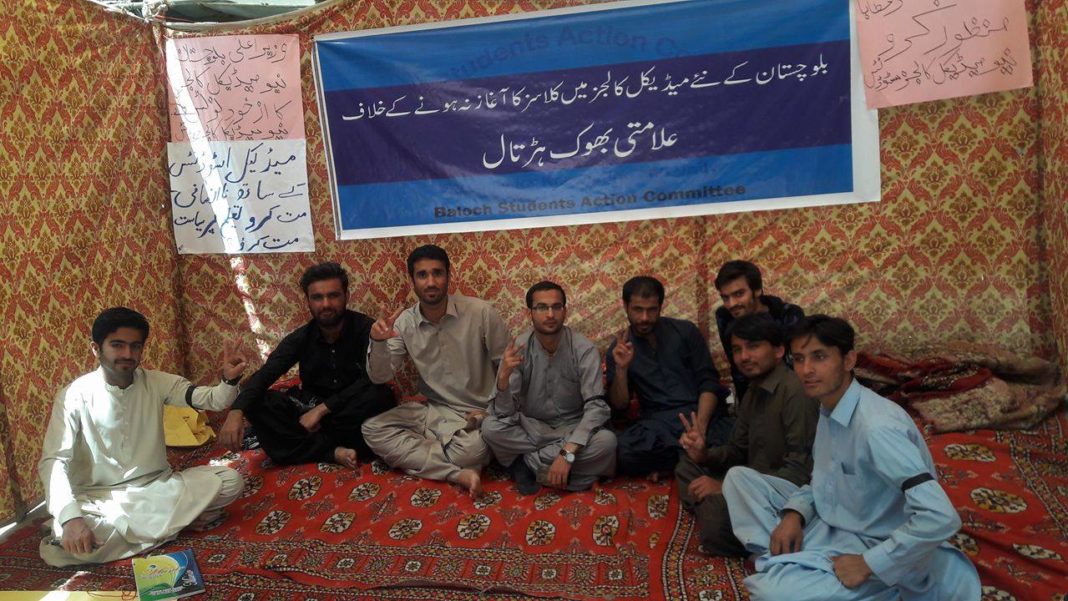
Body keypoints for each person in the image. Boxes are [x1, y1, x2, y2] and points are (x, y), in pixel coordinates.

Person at [721, 316, 981, 601]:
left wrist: (869, 564)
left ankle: (796, 568)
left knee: (772, 593)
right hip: (835, 525)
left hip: (880, 544)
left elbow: (941, 517)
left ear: (848, 360)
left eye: (819, 357)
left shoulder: (877, 427)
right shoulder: (828, 408)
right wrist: (794, 514)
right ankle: (791, 563)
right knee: (738, 480)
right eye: (799, 359)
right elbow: (822, 481)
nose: (806, 370)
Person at [38, 307, 247, 567]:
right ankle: (179, 523)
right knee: (72, 537)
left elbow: (212, 400)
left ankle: (150, 530)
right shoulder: (74, 396)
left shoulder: (157, 382)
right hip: (100, 499)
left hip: (157, 487)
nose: (128, 354)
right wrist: (71, 519)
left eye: (135, 346)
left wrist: (229, 380)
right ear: (96, 348)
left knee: (230, 480)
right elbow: (54, 461)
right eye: (117, 345)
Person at [363, 245, 510, 498]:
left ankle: (437, 453)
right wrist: (377, 343)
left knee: (471, 450)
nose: (430, 282)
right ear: (412, 281)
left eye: (437, 273)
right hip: (435, 411)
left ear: (449, 276)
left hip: (477, 413)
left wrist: (494, 411)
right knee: (372, 429)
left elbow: (510, 369)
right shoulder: (404, 323)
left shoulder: (481, 312)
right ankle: (456, 473)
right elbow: (380, 376)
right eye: (422, 275)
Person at [218, 262, 393, 468]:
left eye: (333, 295)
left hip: (350, 411)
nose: (326, 304)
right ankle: (331, 452)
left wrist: (322, 410)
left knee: (379, 395)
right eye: (317, 297)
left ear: (346, 296)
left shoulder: (366, 328)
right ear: (308, 301)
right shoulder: (301, 337)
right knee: (257, 400)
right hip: (311, 414)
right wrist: (236, 411)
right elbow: (266, 374)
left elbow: (371, 379)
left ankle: (306, 447)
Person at [674, 313, 818, 556]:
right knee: (686, 464)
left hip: (782, 492)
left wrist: (724, 487)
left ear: (779, 350)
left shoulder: (796, 392)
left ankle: (746, 525)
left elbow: (800, 471)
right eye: (737, 349)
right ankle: (733, 516)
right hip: (750, 477)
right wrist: (704, 454)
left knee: (715, 524)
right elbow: (737, 450)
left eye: (753, 347)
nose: (744, 357)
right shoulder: (754, 390)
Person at [482, 281, 616, 495]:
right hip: (532, 428)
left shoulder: (584, 349)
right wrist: (503, 379)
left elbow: (597, 407)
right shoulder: (518, 348)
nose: (550, 314)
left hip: (573, 428)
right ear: (529, 314)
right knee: (490, 428)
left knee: (607, 443)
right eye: (542, 307)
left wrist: (567, 453)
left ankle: (526, 465)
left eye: (556, 307)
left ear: (565, 311)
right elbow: (503, 413)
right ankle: (567, 476)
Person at [606, 276, 730, 479]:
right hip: (659, 424)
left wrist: (699, 428)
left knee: (739, 437)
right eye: (638, 310)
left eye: (651, 310)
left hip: (699, 415)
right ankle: (692, 459)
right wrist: (621, 369)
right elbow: (620, 406)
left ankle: (678, 461)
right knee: (622, 451)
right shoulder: (619, 348)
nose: (644, 317)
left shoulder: (686, 331)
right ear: (626, 307)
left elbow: (708, 382)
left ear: (660, 306)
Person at [714, 260, 804, 402]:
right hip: (749, 395)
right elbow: (737, 365)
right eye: (725, 297)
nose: (731, 304)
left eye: (739, 294)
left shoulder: (787, 315)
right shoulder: (724, 316)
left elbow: (795, 365)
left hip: (787, 394)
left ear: (757, 290)